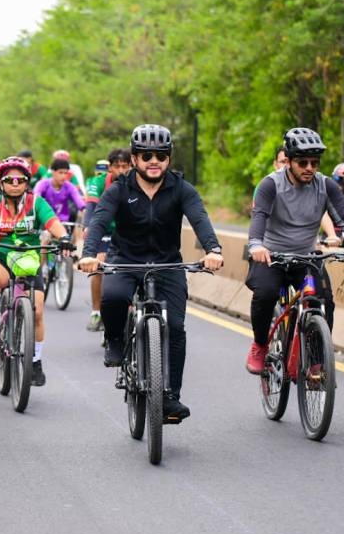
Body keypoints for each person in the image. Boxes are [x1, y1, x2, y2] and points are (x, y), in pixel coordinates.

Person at [79, 124, 225, 424]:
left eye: (160, 155)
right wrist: (89, 254)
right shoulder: (119, 189)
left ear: (169, 159)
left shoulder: (182, 188)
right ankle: (116, 340)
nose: (153, 161)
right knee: (114, 296)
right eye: (146, 155)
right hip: (126, 259)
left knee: (177, 329)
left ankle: (170, 397)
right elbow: (99, 220)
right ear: (134, 159)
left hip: (167, 263)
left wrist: (214, 250)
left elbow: (199, 218)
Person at [244, 127, 344, 374]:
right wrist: (256, 244)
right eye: (303, 162)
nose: (310, 168)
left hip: (306, 256)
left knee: (325, 301)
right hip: (271, 256)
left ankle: (315, 358)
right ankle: (260, 344)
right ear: (288, 162)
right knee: (266, 294)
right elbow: (259, 217)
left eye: (314, 162)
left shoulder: (325, 186)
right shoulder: (271, 184)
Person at [0, 157, 74, 386]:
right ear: (1, 182)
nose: (15, 183)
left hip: (28, 259)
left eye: (21, 179)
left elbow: (52, 222)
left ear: (28, 182)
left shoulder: (35, 202)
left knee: (37, 312)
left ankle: (35, 361)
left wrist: (65, 237)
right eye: (10, 179)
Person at [82, 149, 132, 332]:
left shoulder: (135, 182)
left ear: (131, 166)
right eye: (117, 166)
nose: (121, 171)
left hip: (125, 231)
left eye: (125, 166)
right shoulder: (98, 182)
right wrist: (87, 225)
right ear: (110, 167)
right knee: (100, 264)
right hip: (104, 229)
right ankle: (96, 312)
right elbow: (90, 207)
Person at [33, 158, 85, 224]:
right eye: (60, 172)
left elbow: (79, 201)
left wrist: (84, 210)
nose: (63, 176)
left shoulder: (69, 186)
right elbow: (35, 198)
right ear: (53, 172)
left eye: (65, 173)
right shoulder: (42, 184)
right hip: (44, 221)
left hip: (63, 223)